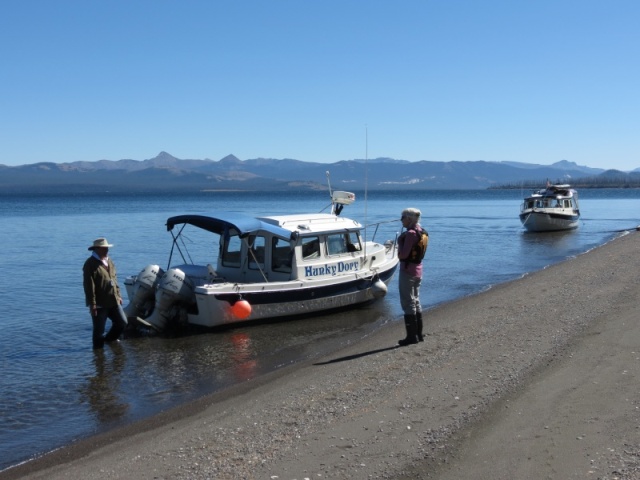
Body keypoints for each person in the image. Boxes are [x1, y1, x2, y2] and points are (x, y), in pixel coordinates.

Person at [83, 238, 128, 349]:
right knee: (99, 331)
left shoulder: (109, 261)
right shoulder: (90, 264)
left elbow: (114, 278)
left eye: (107, 248)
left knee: (122, 322)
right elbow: (89, 285)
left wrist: (118, 294)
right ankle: (98, 355)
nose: (107, 250)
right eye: (104, 248)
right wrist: (92, 304)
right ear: (97, 249)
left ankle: (109, 340)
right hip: (99, 303)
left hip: (113, 300)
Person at [397, 208, 425, 346]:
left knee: (408, 303)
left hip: (408, 271)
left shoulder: (411, 234)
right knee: (416, 301)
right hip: (418, 270)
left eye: (403, 217)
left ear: (409, 219)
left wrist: (399, 242)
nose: (401, 219)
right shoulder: (421, 231)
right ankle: (419, 334)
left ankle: (411, 336)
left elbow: (403, 255)